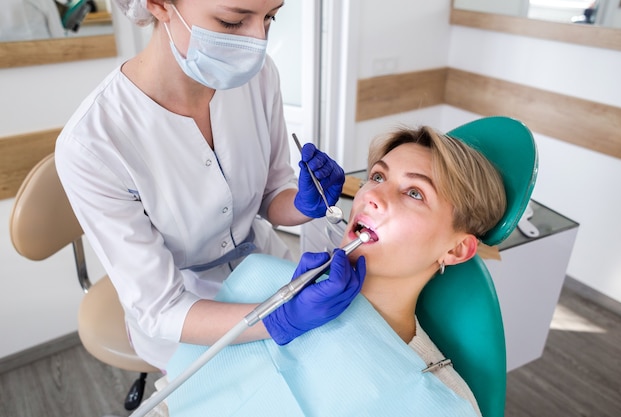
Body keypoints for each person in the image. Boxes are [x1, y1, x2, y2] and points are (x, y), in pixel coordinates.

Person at [55, 0, 365, 372]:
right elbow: (162, 308)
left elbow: (271, 193)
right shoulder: (93, 144)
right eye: (232, 21)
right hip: (186, 317)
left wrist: (302, 203)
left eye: (270, 17)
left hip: (264, 267)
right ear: (158, 5)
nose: (259, 40)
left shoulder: (260, 77)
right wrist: (279, 318)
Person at [145, 123, 508, 417]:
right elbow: (171, 397)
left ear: (457, 249)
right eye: (378, 177)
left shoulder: (438, 401)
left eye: (414, 193)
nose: (371, 196)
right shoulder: (264, 283)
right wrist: (278, 321)